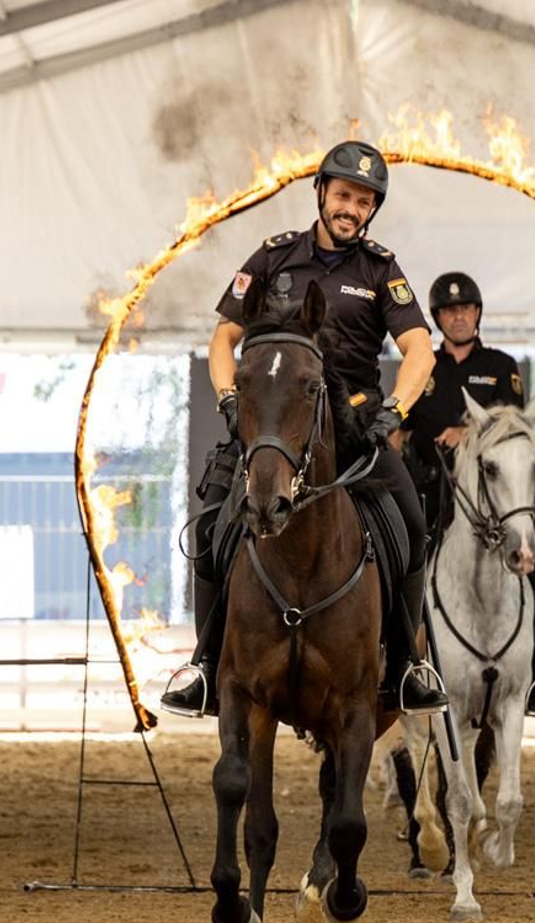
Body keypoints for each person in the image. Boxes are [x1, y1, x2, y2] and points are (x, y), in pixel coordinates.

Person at [161, 140, 448, 717]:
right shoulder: (274, 257)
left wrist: (393, 411)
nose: (351, 209)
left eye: (364, 202)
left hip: (352, 431)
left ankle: (405, 667)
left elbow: (420, 349)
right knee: (213, 523)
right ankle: (205, 666)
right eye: (344, 196)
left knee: (413, 525)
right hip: (274, 427)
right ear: (321, 193)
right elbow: (223, 338)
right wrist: (228, 398)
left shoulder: (380, 270)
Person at [403, 271, 535, 719]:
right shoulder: (422, 367)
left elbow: (513, 427)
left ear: (477, 314)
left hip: (493, 500)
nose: (458, 316)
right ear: (437, 318)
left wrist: (467, 431)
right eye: (450, 310)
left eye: (466, 309)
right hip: (432, 493)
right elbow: (402, 427)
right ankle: (404, 669)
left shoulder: (501, 366)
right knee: (401, 566)